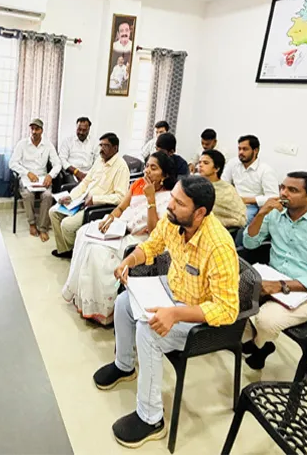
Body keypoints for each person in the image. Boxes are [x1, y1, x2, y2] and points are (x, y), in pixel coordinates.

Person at [92, 176, 240, 448]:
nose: (170, 205)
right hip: (173, 288)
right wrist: (129, 261)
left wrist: (176, 314)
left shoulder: (218, 246)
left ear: (200, 212)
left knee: (148, 330)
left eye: (179, 203)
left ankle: (151, 419)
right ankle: (124, 365)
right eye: (172, 198)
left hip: (197, 314)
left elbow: (227, 309)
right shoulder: (174, 221)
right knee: (124, 303)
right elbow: (151, 246)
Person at [242, 172, 307, 369]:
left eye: (292, 190)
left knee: (266, 321)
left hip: (305, 293)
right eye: (282, 187)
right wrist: (261, 214)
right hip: (272, 277)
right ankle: (258, 342)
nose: (283, 193)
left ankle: (260, 345)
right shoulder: (275, 214)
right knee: (232, 296)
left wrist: (279, 286)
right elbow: (250, 243)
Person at [62, 152, 176, 325]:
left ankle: (103, 309)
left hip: (141, 238)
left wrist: (151, 198)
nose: (147, 171)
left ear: (165, 175)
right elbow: (121, 208)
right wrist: (110, 218)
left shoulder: (169, 198)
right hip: (122, 226)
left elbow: (155, 232)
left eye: (154, 168)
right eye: (147, 166)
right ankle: (83, 299)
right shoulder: (138, 184)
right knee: (83, 232)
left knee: (96, 251)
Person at [50, 133, 130, 258]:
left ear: (115, 148)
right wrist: (71, 197)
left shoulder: (121, 168)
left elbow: (121, 198)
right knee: (53, 212)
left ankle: (76, 252)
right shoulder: (99, 160)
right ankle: (65, 249)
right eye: (101, 145)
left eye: (106, 146)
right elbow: (86, 182)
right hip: (81, 200)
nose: (101, 149)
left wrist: (95, 199)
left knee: (67, 225)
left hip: (95, 207)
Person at [9, 118, 62, 242]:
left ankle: (43, 228)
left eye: (37, 129)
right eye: (32, 128)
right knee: (28, 195)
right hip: (26, 178)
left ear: (42, 130)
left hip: (42, 178)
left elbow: (58, 164)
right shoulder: (22, 144)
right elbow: (12, 163)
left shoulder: (48, 145)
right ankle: (32, 223)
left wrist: (50, 175)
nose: (34, 131)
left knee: (47, 195)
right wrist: (27, 173)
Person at [221, 135, 278, 224]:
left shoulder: (265, 170)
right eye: (239, 149)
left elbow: (274, 197)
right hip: (233, 202)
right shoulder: (233, 163)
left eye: (245, 149)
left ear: (255, 150)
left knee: (242, 221)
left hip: (252, 206)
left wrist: (247, 200)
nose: (241, 152)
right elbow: (223, 183)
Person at [197, 149, 246, 229]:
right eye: (199, 162)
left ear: (216, 168)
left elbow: (240, 219)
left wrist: (214, 223)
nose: (200, 165)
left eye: (206, 163)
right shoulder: (194, 185)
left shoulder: (227, 190)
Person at [58, 117, 98, 185]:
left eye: (84, 130)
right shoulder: (68, 141)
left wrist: (89, 175)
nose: (81, 132)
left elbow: (98, 162)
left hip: (89, 174)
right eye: (79, 129)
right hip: (71, 173)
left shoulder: (94, 143)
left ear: (89, 130)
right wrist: (77, 172)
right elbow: (62, 160)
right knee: (77, 187)